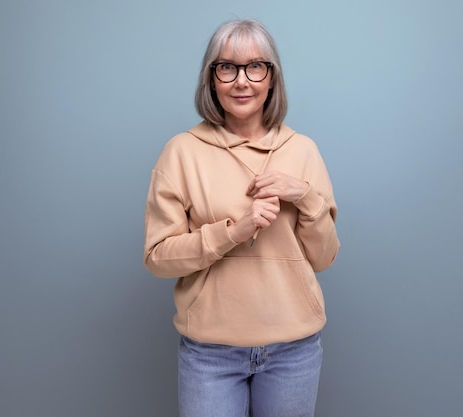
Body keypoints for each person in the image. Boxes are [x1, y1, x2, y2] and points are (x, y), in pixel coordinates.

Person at [143, 18, 340, 417]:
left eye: (256, 67)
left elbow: (325, 257)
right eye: (227, 67)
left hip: (294, 349)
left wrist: (303, 195)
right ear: (211, 79)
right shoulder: (181, 152)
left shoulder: (303, 151)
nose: (242, 81)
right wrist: (235, 231)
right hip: (210, 353)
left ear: (272, 79)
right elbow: (158, 258)